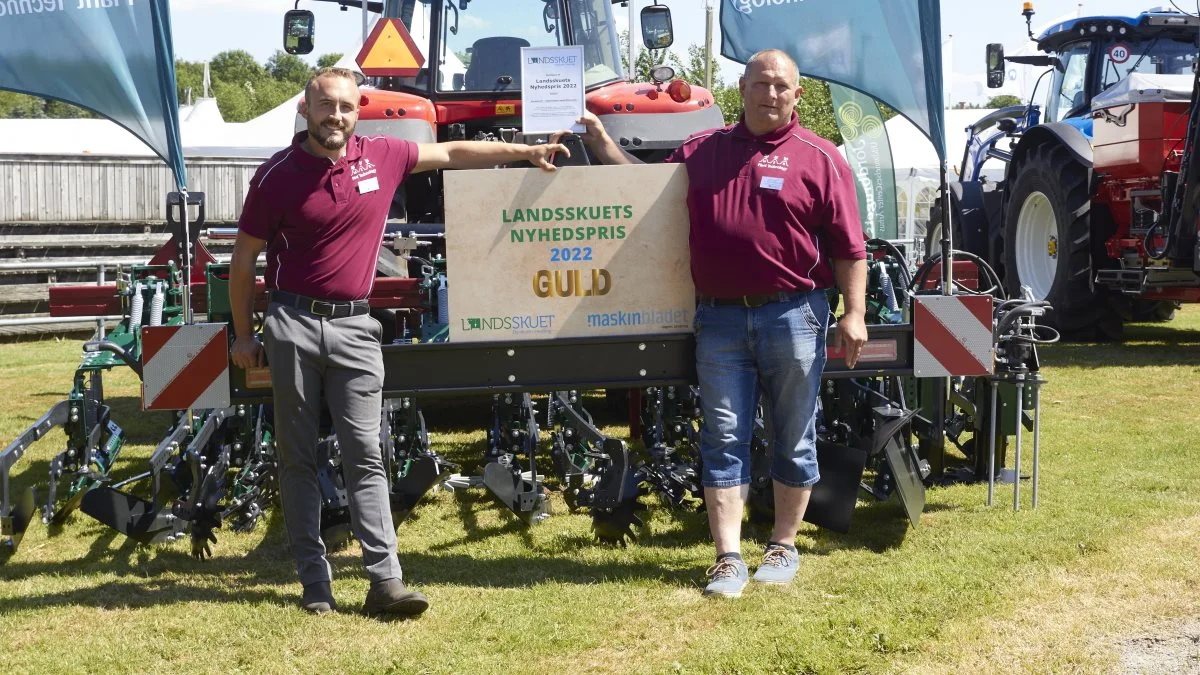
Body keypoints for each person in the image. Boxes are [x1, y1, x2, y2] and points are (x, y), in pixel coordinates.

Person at [228, 67, 567, 617]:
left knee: (366, 456)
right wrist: (245, 335)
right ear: (305, 110)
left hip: (358, 329)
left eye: (344, 107)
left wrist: (522, 153)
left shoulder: (383, 156)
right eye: (324, 106)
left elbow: (453, 153)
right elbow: (243, 261)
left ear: (357, 111)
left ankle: (385, 581)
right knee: (296, 457)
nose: (334, 116)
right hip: (290, 324)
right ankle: (315, 582)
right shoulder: (276, 175)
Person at [572, 49, 868, 598]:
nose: (770, 94)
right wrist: (600, 142)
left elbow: (850, 247)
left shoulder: (821, 158)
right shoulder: (704, 150)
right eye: (761, 84)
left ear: (797, 94)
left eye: (781, 86)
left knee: (793, 433)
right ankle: (728, 558)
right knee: (723, 436)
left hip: (795, 313)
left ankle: (783, 545)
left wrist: (855, 314)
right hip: (719, 320)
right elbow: (646, 187)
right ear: (742, 88)